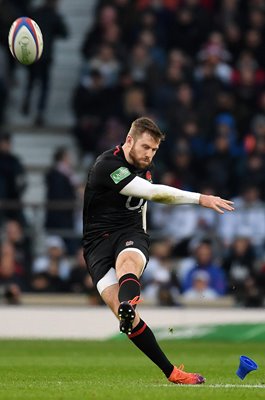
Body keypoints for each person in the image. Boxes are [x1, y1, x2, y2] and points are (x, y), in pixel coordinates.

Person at [82, 117, 234, 385]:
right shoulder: (107, 166)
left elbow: (144, 204)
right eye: (145, 148)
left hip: (129, 234)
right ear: (129, 140)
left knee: (127, 263)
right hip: (96, 244)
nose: (149, 155)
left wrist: (141, 238)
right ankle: (170, 369)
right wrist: (200, 198)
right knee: (124, 318)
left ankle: (131, 305)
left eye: (154, 150)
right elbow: (153, 194)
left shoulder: (145, 166)